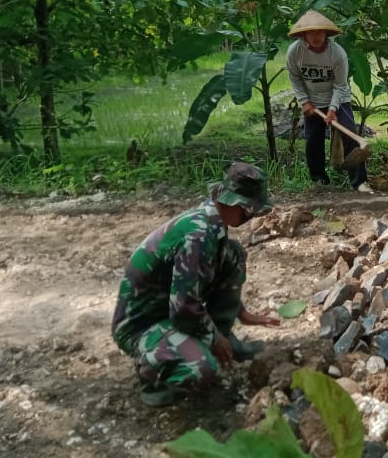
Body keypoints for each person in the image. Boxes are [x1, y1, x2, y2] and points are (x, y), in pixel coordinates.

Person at [111, 162, 281, 407]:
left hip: (169, 308)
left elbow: (206, 277)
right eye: (249, 210)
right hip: (141, 323)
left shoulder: (212, 223)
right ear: (235, 203)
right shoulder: (198, 235)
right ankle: (154, 375)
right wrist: (212, 338)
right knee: (201, 368)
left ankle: (220, 339)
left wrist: (242, 314)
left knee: (232, 253)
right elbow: (183, 307)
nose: (251, 217)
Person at [286, 10, 372, 193]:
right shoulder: (295, 52)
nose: (316, 36)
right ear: (304, 35)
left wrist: (333, 108)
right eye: (311, 32)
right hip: (312, 102)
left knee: (350, 136)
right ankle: (319, 181)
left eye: (320, 32)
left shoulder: (337, 53)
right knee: (313, 141)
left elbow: (341, 86)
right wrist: (304, 101)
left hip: (339, 99)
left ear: (326, 33)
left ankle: (359, 182)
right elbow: (295, 79)